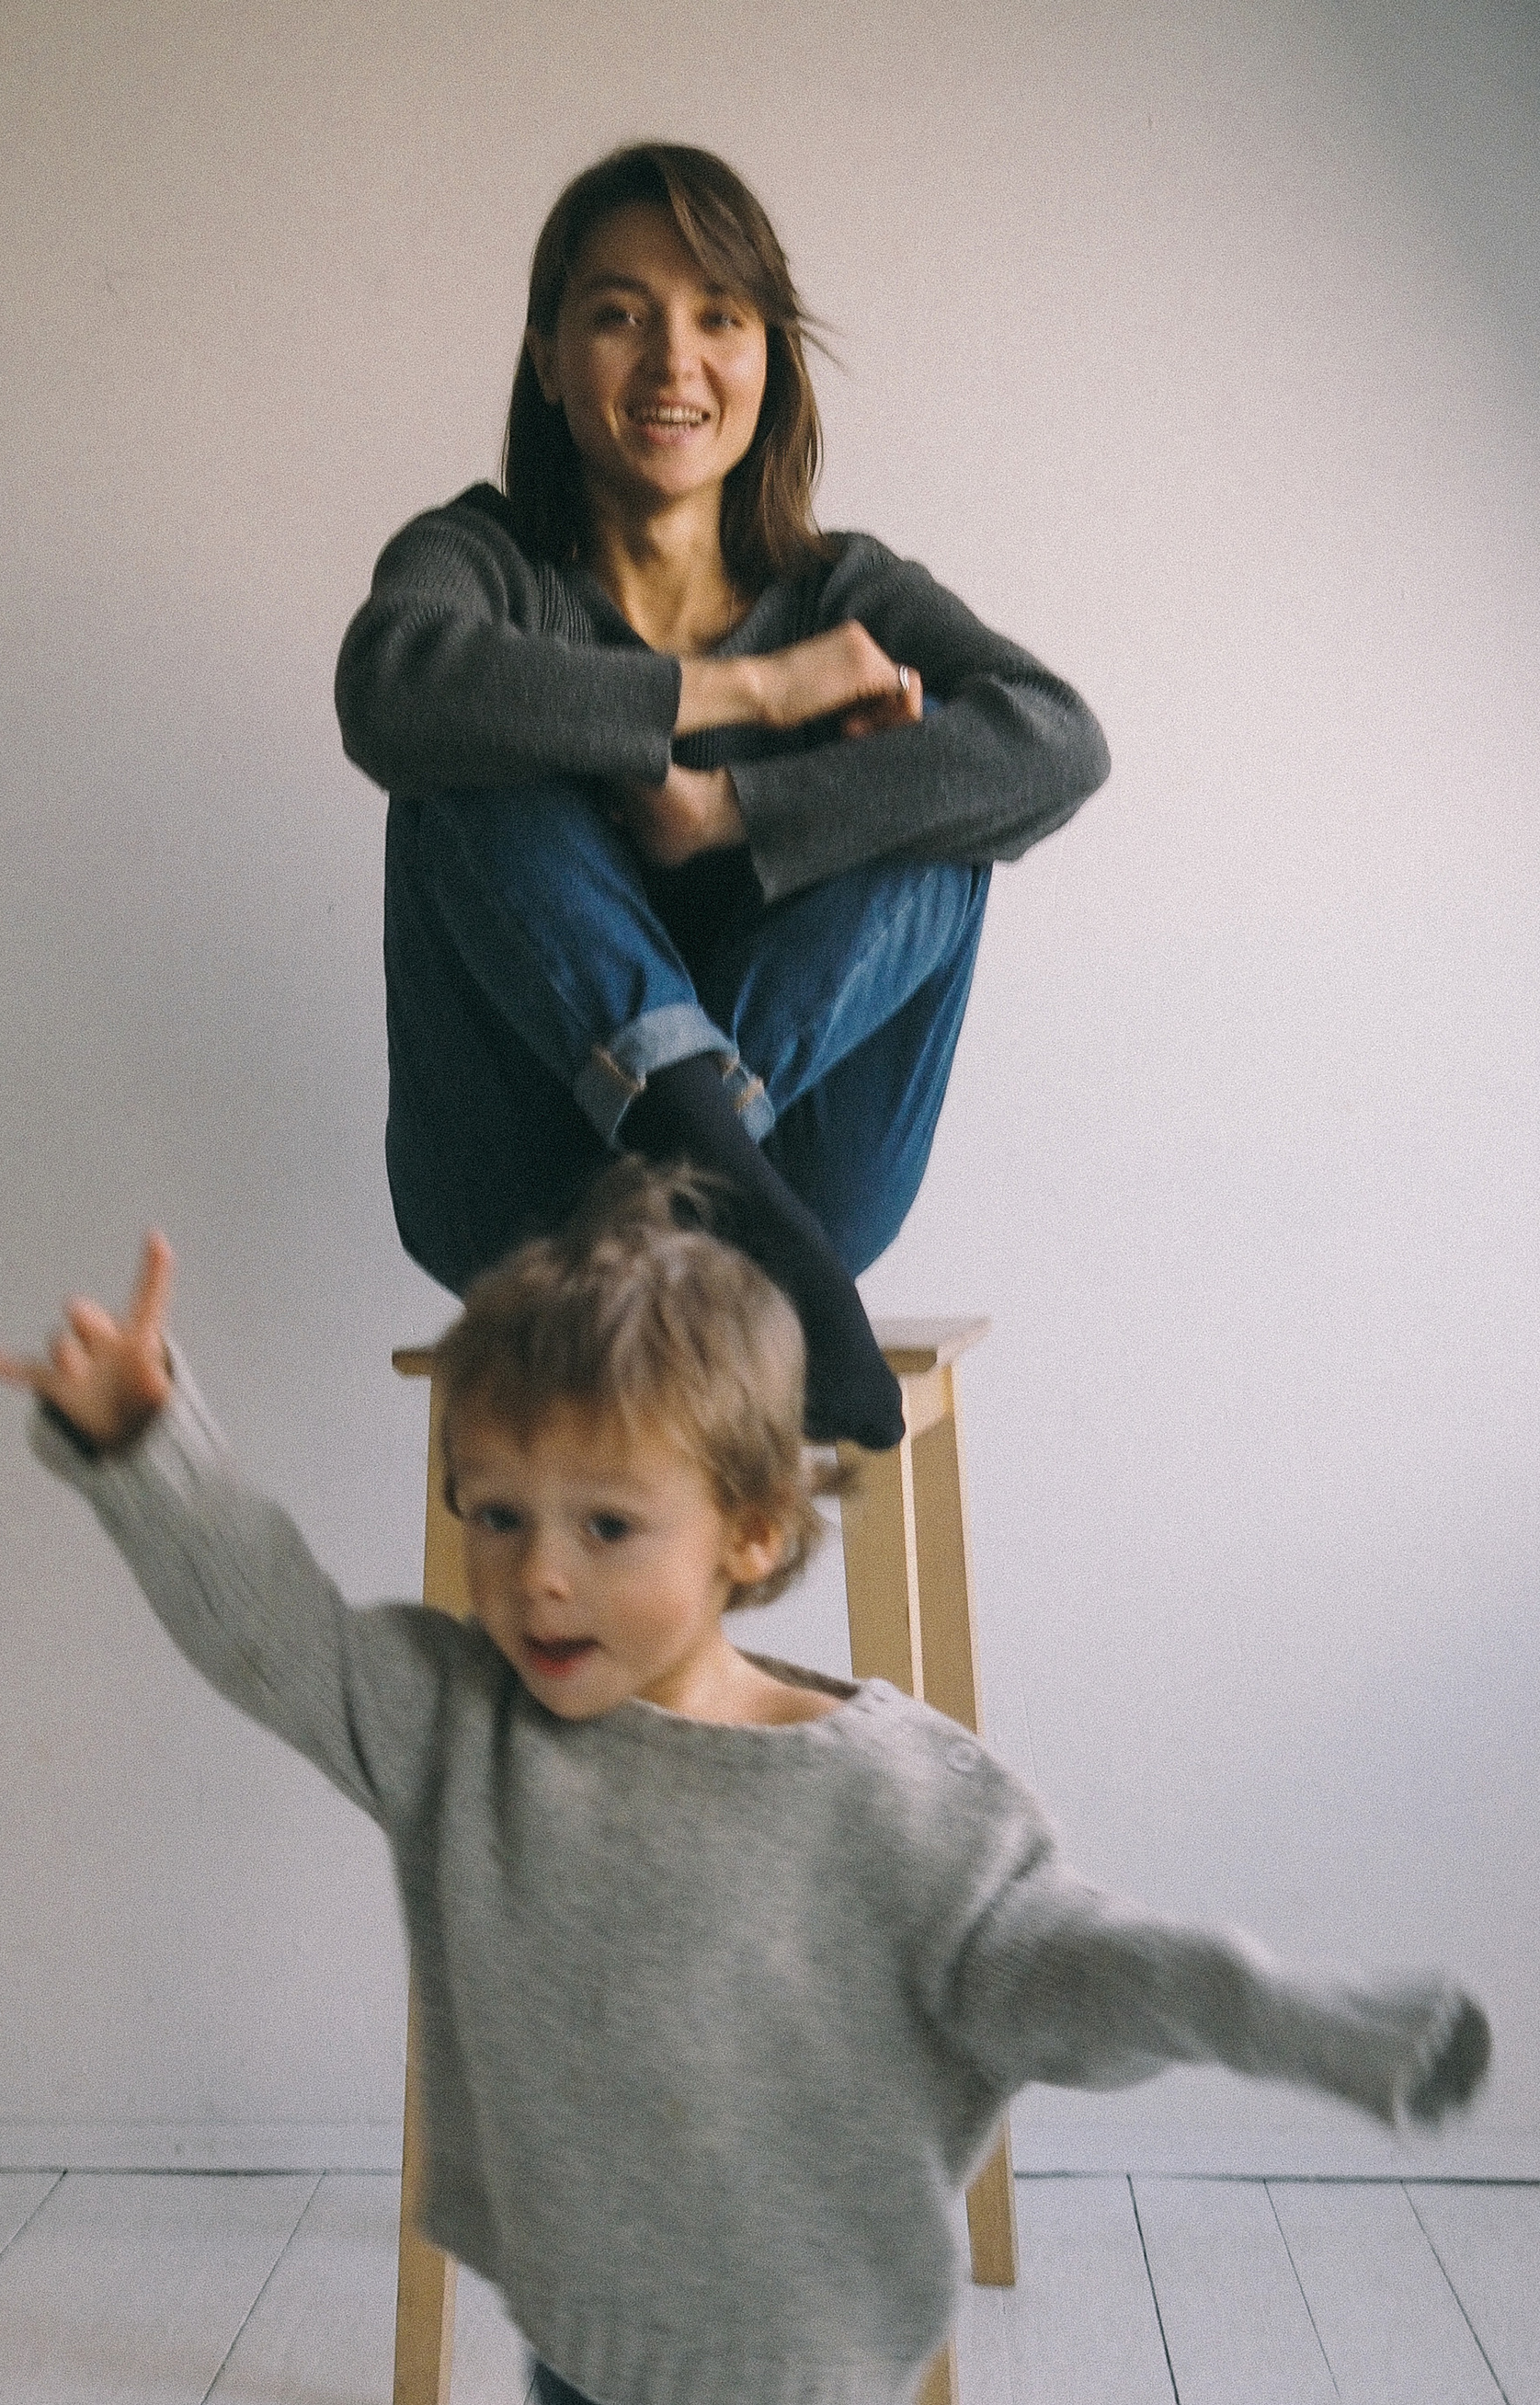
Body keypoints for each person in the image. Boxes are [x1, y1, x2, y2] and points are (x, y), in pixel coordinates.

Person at [0, 1176, 1490, 2405]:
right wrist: (139, 1439)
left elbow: (1067, 1972)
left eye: (608, 1526)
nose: (536, 1577)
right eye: (495, 1515)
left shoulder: (889, 1803)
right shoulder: (454, 1729)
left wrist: (1269, 2008)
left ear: (752, 1535)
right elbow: (262, 1624)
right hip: (582, 2319)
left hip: (786, 2362)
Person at [334, 141, 1111, 1450]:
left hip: (799, 1188)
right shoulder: (481, 560)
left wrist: (738, 812)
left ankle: (707, 1167)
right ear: (545, 354)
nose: (671, 362)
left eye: (718, 317)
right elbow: (388, 688)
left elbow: (1057, 742)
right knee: (468, 752)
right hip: (522, 1203)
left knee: (943, 802)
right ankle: (712, 1169)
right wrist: (745, 696)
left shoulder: (845, 588)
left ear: (769, 357)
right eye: (619, 315)